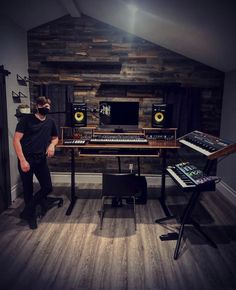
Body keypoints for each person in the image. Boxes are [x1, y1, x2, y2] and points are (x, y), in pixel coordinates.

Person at [13, 96, 58, 229]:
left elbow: (55, 138)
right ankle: (31, 215)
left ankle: (28, 210)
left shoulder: (51, 122)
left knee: (47, 187)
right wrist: (22, 160)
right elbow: (16, 140)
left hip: (41, 159)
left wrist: (52, 146)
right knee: (28, 189)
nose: (47, 107)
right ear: (38, 106)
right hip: (26, 159)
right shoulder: (26, 121)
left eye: (49, 105)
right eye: (45, 105)